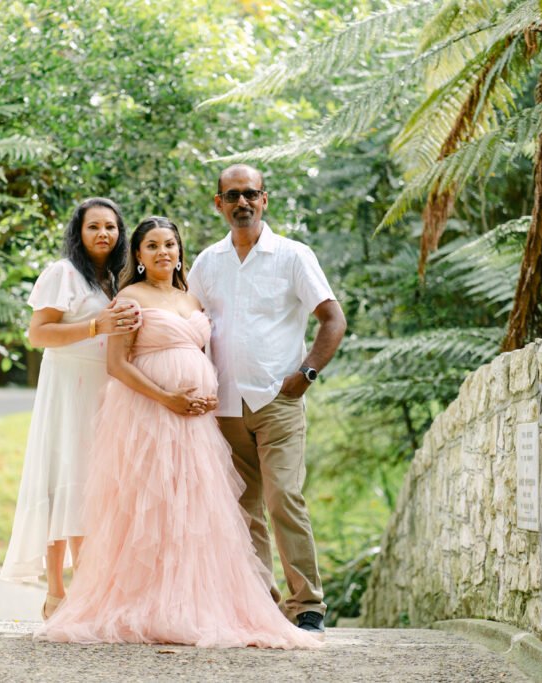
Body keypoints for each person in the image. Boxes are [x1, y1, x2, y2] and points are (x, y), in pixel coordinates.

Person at [38, 216, 321, 649]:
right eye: (152, 246)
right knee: (152, 508)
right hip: (148, 414)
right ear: (138, 255)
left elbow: (204, 353)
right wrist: (167, 397)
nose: (162, 252)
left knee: (192, 509)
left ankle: (190, 601)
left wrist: (206, 393)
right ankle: (147, 602)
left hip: (196, 422)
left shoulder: (192, 299)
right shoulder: (129, 298)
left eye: (169, 244)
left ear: (179, 251)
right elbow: (117, 365)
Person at [187, 164, 347, 635]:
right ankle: (259, 604)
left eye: (250, 194)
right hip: (223, 406)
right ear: (218, 203)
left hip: (278, 402)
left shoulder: (293, 256)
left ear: (265, 199)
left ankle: (307, 604)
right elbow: (187, 320)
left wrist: (306, 373)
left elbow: (333, 319)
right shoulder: (207, 263)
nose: (243, 203)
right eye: (232, 195)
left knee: (283, 499)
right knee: (244, 509)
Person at [0, 197, 142, 619]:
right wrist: (96, 325)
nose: (103, 234)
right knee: (61, 478)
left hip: (105, 389)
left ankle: (90, 586)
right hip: (67, 386)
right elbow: (38, 334)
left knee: (91, 484)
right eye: (93, 226)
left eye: (110, 227)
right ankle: (57, 591)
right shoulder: (63, 273)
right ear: (79, 232)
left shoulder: (117, 280)